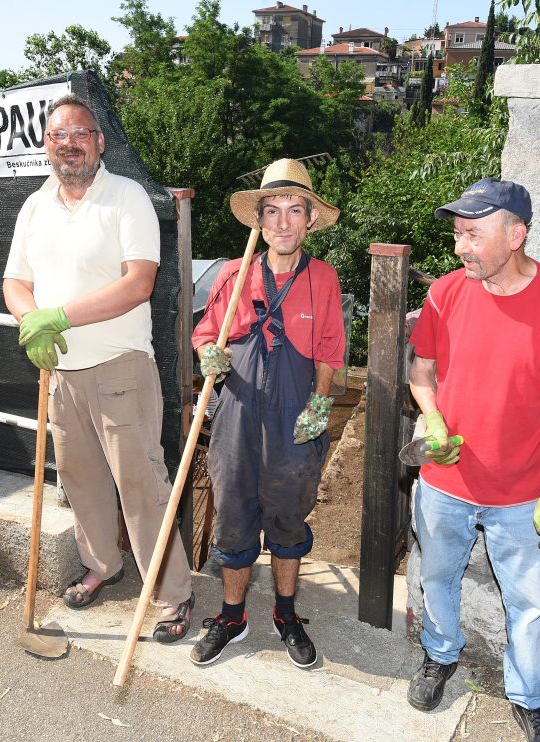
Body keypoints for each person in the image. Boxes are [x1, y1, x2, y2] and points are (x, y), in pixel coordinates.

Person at [406, 178, 540, 741]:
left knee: (530, 603)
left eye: (473, 234)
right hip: (446, 482)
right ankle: (440, 656)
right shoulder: (444, 292)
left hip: (521, 492)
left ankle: (532, 695)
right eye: (458, 234)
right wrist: (433, 416)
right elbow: (422, 371)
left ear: (516, 234)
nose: (460, 246)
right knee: (438, 579)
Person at [2, 94, 194, 643]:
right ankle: (102, 567)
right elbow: (15, 282)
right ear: (46, 145)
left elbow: (140, 283)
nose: (70, 144)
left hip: (119, 370)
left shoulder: (126, 198)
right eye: (59, 135)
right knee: (82, 483)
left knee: (142, 486)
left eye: (81, 134)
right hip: (59, 372)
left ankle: (173, 593)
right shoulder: (35, 207)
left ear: (99, 142)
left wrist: (58, 315)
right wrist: (30, 321)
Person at [189, 159, 346, 668]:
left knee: (287, 519)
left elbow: (328, 349)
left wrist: (321, 399)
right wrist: (207, 352)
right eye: (273, 211)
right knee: (233, 518)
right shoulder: (234, 275)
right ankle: (232, 616)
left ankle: (285, 613)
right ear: (259, 220)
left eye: (294, 210)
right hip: (236, 416)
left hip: (294, 420)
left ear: (309, 221)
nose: (283, 222)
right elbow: (205, 334)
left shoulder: (322, 278)